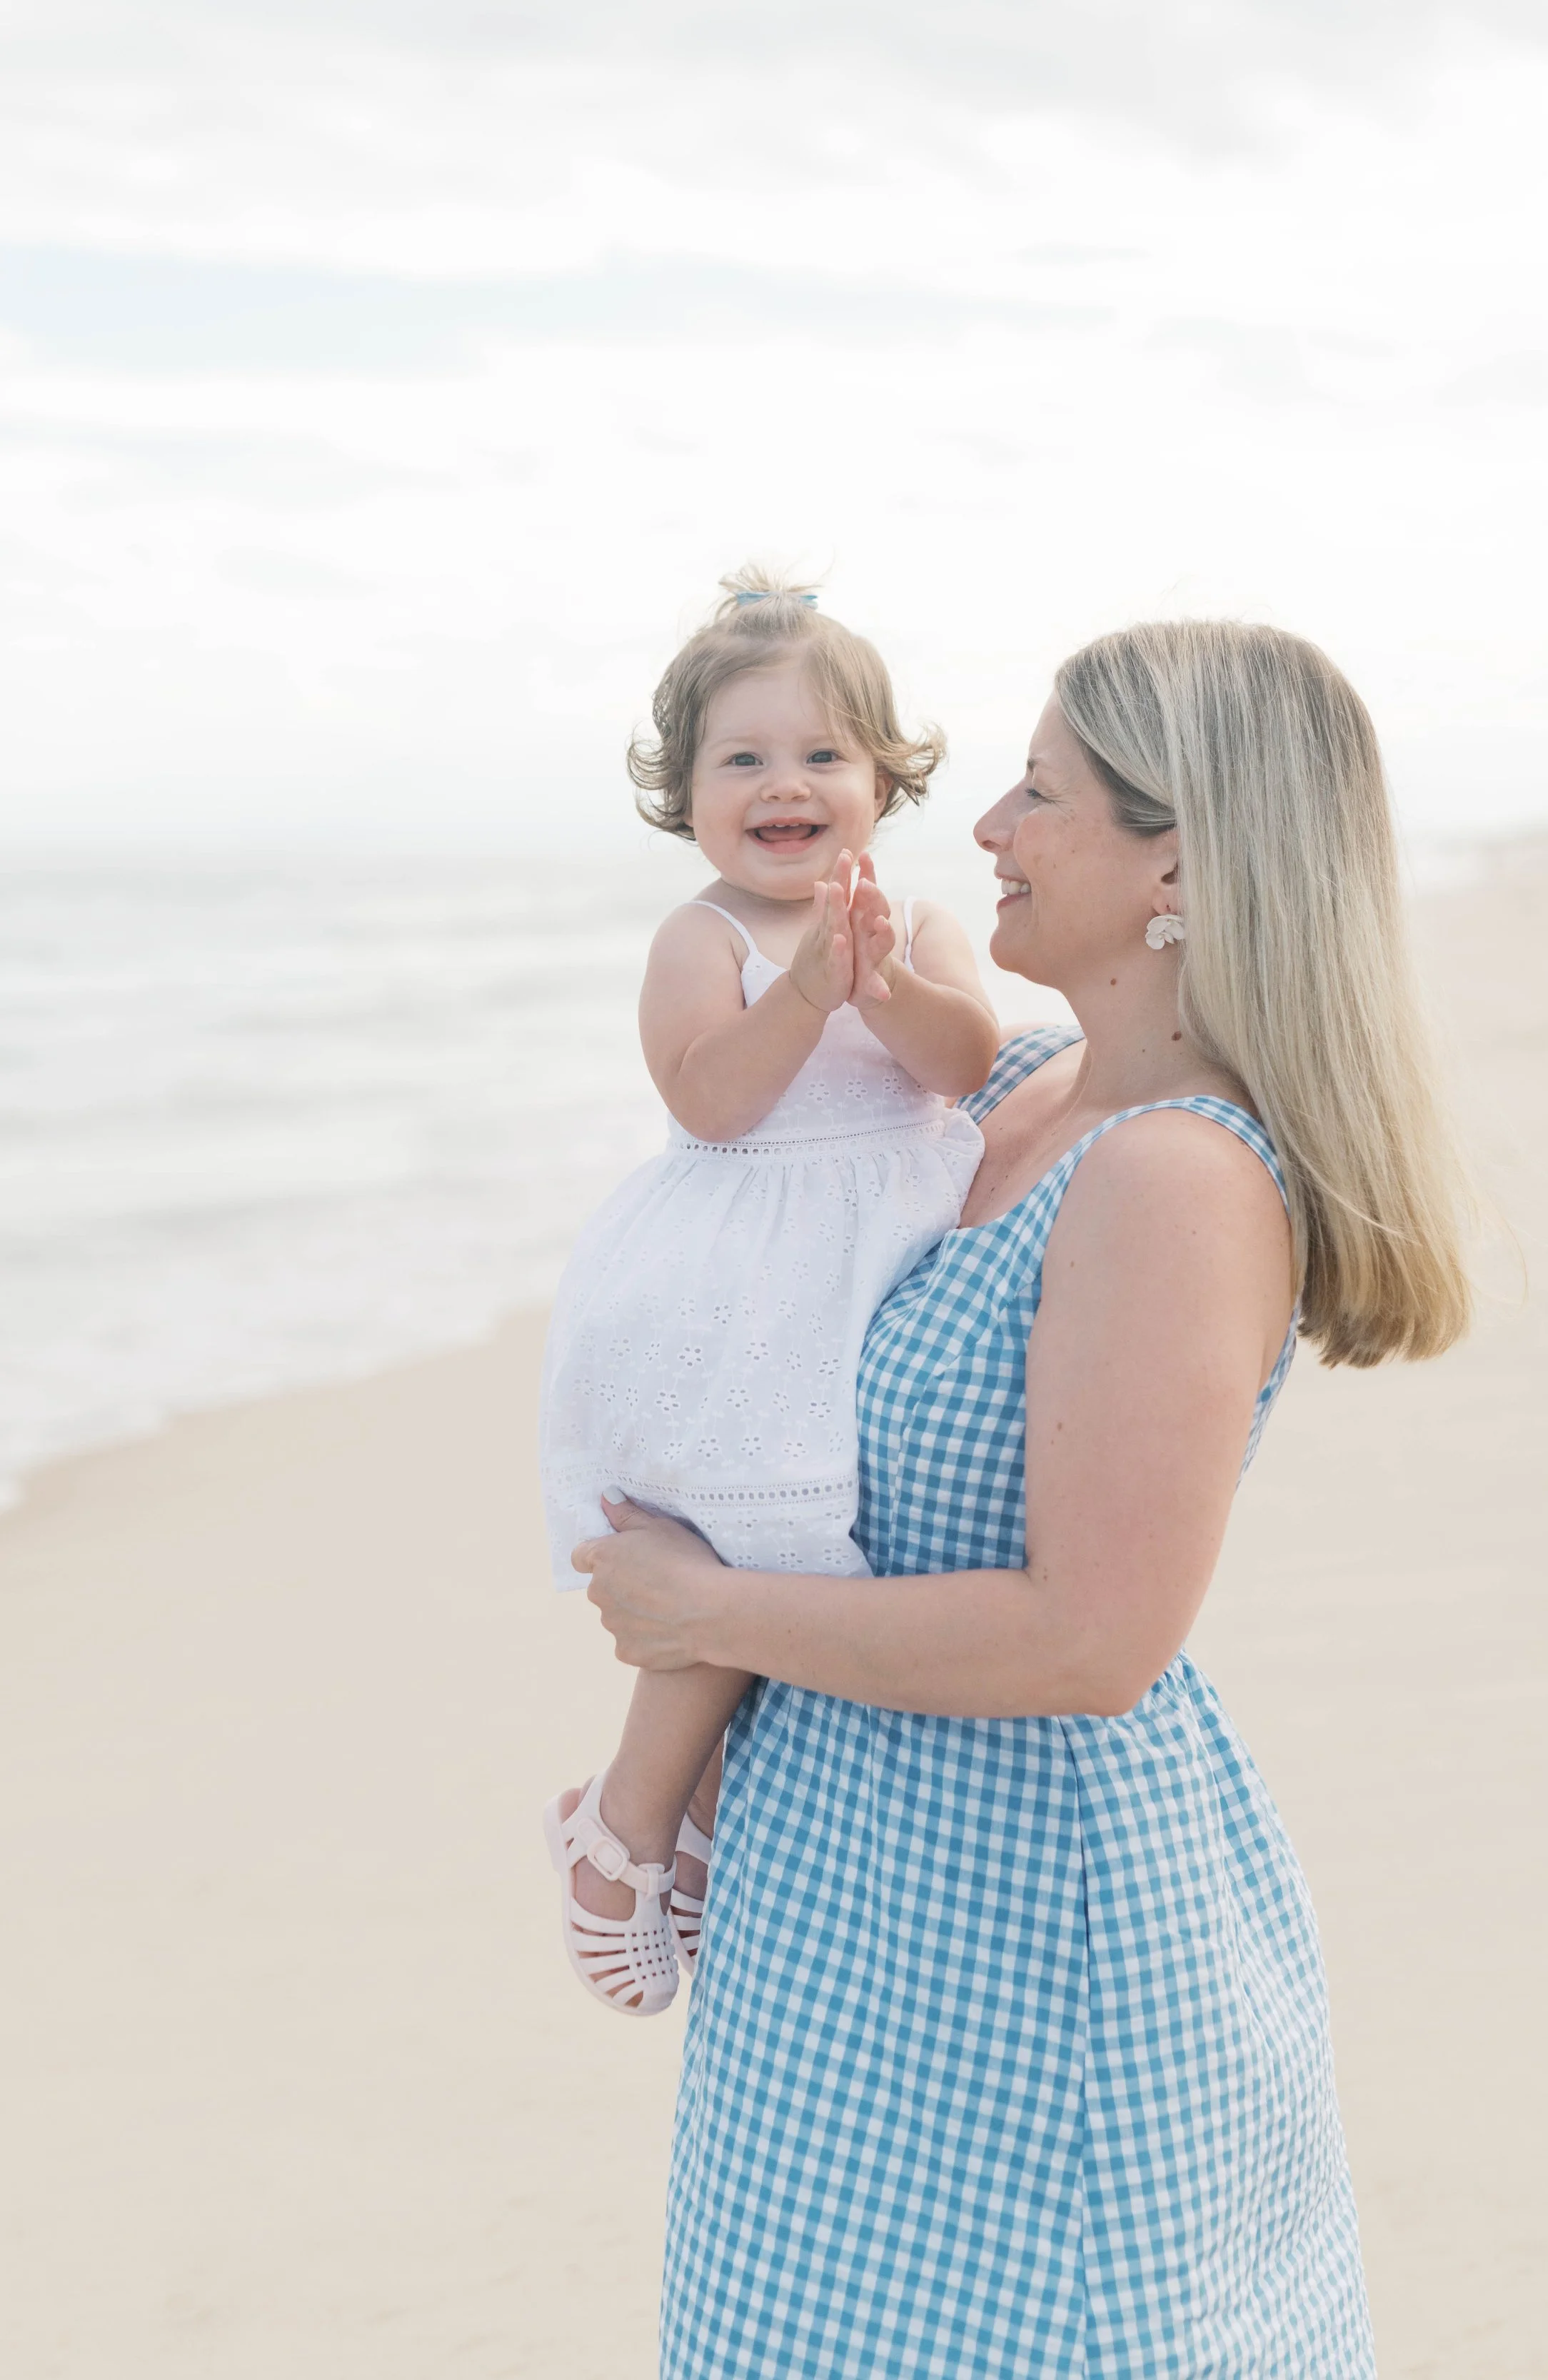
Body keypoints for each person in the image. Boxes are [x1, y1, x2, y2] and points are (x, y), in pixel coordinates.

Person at [579, 618, 1472, 2375]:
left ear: (1176, 868)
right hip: (833, 1896)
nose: (982, 825)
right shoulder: (996, 1085)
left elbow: (1090, 1638)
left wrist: (705, 1612)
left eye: (1040, 795)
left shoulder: (1172, 1181)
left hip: (1017, 1926)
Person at [538, 569, 998, 2016]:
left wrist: (881, 982)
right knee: (748, 1537)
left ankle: (698, 1818)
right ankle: (619, 1823)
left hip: (871, 1267)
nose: (783, 784)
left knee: (814, 1547)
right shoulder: (702, 939)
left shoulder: (914, 923)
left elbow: (964, 1064)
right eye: (741, 758)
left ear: (883, 781)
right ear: (683, 793)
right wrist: (806, 993)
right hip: (742, 1289)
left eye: (820, 754)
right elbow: (711, 1100)